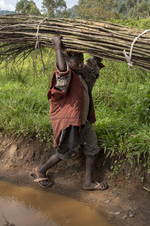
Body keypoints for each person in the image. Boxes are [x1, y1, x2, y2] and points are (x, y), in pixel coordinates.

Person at [31, 35, 108, 190]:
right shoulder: (63, 77)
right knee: (63, 154)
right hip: (69, 124)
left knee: (92, 148)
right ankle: (41, 170)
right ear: (65, 62)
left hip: (82, 122)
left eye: (81, 58)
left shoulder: (82, 73)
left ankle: (87, 182)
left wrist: (99, 46)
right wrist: (58, 46)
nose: (79, 62)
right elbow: (62, 70)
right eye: (75, 60)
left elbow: (93, 65)